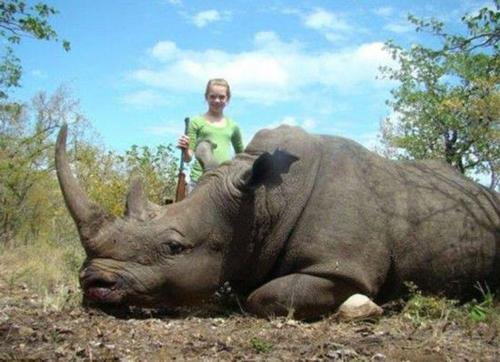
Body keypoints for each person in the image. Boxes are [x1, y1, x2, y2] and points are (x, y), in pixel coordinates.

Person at [177, 78, 244, 191]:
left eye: (221, 97)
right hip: (199, 181)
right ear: (206, 97)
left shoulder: (233, 126)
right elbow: (188, 158)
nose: (217, 100)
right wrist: (184, 148)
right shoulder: (196, 122)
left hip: (223, 182)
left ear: (227, 99)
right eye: (212, 96)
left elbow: (242, 155)